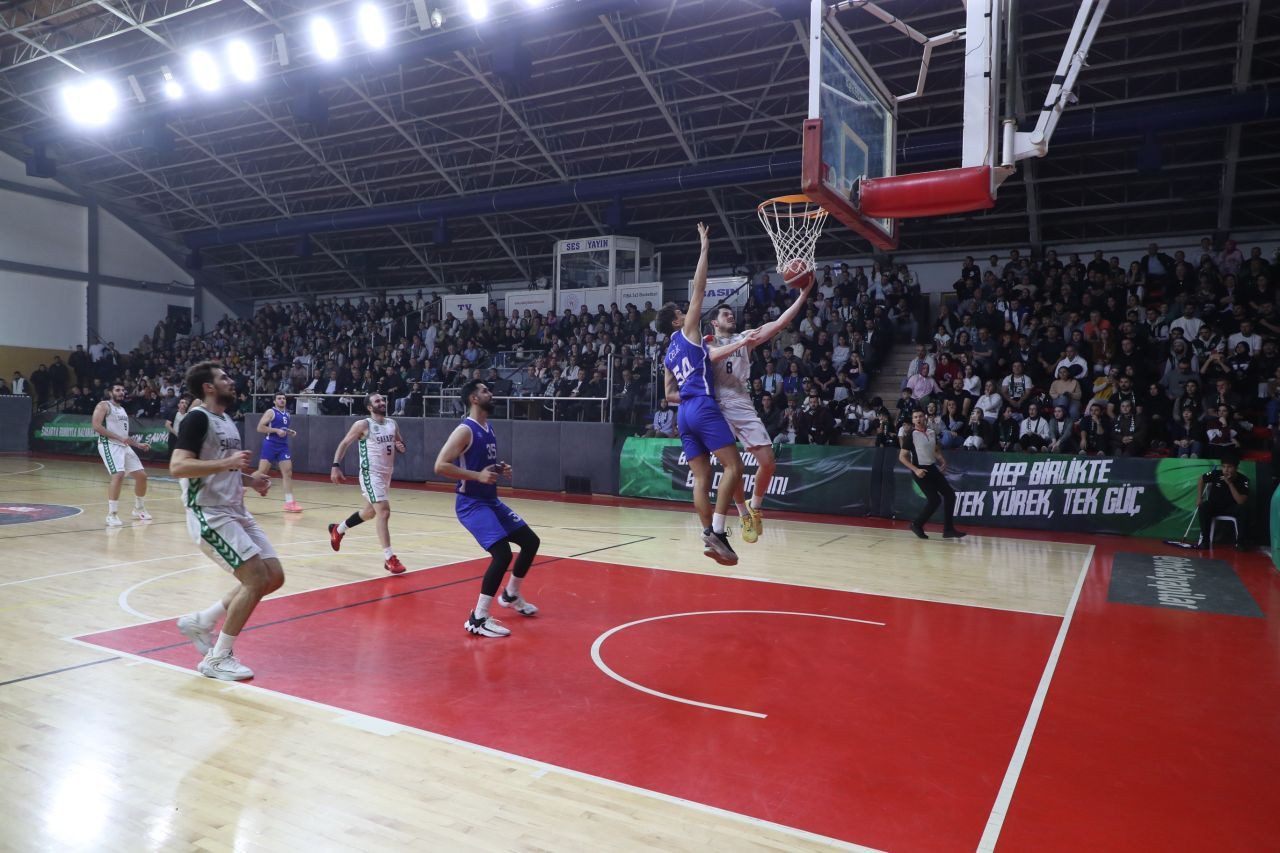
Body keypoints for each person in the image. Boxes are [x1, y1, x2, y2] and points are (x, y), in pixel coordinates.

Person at [171, 361, 281, 681]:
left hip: (236, 510)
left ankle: (202, 621)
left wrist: (250, 480)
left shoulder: (226, 419)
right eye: (224, 378)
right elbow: (178, 467)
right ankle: (218, 658)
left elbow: (223, 468)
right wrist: (229, 462)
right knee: (256, 579)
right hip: (209, 513)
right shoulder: (196, 418)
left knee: (273, 576)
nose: (231, 382)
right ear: (208, 387)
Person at [658, 222, 758, 565]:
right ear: (675, 322)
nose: (687, 313)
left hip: (683, 411)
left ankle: (707, 534)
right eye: (680, 313)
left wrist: (685, 397)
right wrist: (704, 248)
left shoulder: (667, 354)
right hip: (702, 404)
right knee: (734, 468)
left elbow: (667, 394)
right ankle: (717, 529)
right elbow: (700, 290)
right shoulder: (687, 333)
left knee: (701, 478)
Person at [707, 277, 813, 543]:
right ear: (714, 322)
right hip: (718, 406)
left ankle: (755, 506)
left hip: (742, 403)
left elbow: (779, 324)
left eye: (733, 314)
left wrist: (803, 295)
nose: (731, 316)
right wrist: (741, 344)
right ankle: (742, 514)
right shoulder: (708, 341)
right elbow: (713, 357)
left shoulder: (746, 337)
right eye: (725, 314)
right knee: (734, 467)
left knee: (768, 462)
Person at [433, 379, 542, 638]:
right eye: (484, 390)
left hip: (490, 501)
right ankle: (478, 617)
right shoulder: (465, 430)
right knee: (502, 555)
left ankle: (511, 594)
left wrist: (497, 469)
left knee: (530, 541)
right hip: (471, 504)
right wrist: (477, 476)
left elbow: (481, 465)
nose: (490, 393)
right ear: (473, 398)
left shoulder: (488, 427)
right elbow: (440, 466)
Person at [327, 393, 408, 575]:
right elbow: (344, 443)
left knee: (370, 512)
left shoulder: (391, 423)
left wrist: (400, 446)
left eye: (382, 399)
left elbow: (399, 442)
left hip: (386, 475)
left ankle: (337, 530)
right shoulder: (363, 425)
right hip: (370, 474)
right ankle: (389, 559)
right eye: (377, 401)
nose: (382, 402)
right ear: (370, 407)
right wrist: (335, 466)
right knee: (384, 512)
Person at [898, 410, 966, 540]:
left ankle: (948, 530)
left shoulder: (931, 432)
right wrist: (916, 470)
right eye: (915, 417)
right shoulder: (911, 435)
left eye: (920, 416)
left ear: (925, 418)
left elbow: (934, 449)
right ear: (913, 420)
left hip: (932, 468)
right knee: (934, 500)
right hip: (920, 471)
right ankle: (916, 525)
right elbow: (902, 457)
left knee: (950, 495)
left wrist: (942, 459)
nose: (918, 419)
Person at [91, 382, 151, 527]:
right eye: (117, 390)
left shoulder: (122, 409)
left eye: (123, 390)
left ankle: (138, 508)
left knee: (142, 476)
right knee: (118, 475)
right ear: (110, 392)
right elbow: (96, 426)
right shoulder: (104, 405)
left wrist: (137, 444)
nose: (121, 392)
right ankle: (112, 514)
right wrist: (119, 439)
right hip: (109, 444)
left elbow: (123, 435)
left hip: (123, 445)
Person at [256, 393, 301, 512]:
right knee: (261, 474)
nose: (282, 400)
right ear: (274, 401)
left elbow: (283, 429)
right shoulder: (271, 412)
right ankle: (242, 488)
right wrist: (276, 430)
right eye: (279, 399)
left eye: (284, 398)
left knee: (288, 472)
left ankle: (289, 502)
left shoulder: (287, 414)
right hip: (270, 445)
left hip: (283, 446)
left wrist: (290, 431)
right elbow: (260, 428)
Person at [1195, 453, 1250, 548]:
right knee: (1204, 507)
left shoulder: (1243, 480)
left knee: (1243, 510)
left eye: (1229, 467)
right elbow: (1201, 479)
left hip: (1231, 507)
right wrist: (1199, 497)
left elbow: (1240, 501)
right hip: (1215, 506)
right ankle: (1205, 541)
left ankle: (1240, 543)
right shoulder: (1216, 474)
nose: (1226, 470)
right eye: (1224, 467)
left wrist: (1229, 483)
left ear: (1236, 468)